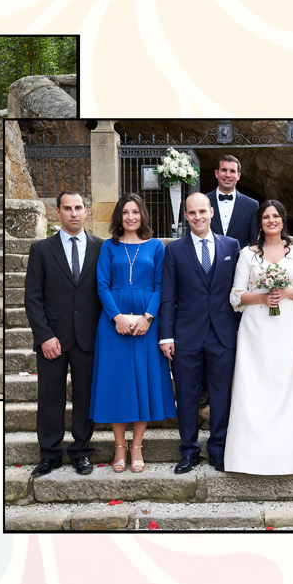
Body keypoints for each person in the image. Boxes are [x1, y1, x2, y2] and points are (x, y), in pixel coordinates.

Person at [224, 200, 293, 475]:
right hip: (255, 328)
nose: (271, 220)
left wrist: (285, 292)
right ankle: (248, 456)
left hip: (287, 326)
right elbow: (236, 295)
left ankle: (291, 455)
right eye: (266, 217)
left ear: (283, 220)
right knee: (255, 386)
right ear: (259, 222)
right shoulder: (247, 254)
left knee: (288, 384)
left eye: (276, 216)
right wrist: (262, 296)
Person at [91, 193, 175, 472]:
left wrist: (147, 318)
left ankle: (137, 445)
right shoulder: (108, 247)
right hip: (113, 324)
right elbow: (102, 284)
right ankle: (119, 446)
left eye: (135, 212)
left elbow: (160, 286)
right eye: (125, 212)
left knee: (143, 382)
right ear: (119, 216)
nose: (130, 217)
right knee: (118, 384)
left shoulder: (156, 247)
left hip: (146, 325)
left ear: (143, 216)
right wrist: (116, 317)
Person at [159, 192, 240, 473]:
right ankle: (189, 451)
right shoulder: (173, 250)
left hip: (222, 333)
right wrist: (166, 335)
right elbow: (168, 296)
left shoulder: (232, 245)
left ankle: (218, 448)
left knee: (221, 394)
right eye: (192, 213)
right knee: (187, 394)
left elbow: (238, 291)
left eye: (202, 212)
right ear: (185, 216)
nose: (198, 217)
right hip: (186, 335)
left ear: (212, 212)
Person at [24, 190, 103, 477]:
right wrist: (44, 335)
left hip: (88, 337)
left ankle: (82, 452)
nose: (73, 213)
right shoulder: (41, 250)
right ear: (58, 212)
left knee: (85, 396)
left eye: (78, 207)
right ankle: (49, 454)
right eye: (67, 208)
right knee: (50, 397)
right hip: (52, 338)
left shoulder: (100, 248)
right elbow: (32, 297)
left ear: (86, 211)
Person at [206, 155, 258, 247]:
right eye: (224, 170)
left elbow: (254, 242)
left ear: (238, 176)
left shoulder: (252, 205)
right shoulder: (203, 201)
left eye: (232, 171)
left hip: (240, 259)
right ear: (216, 173)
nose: (228, 175)